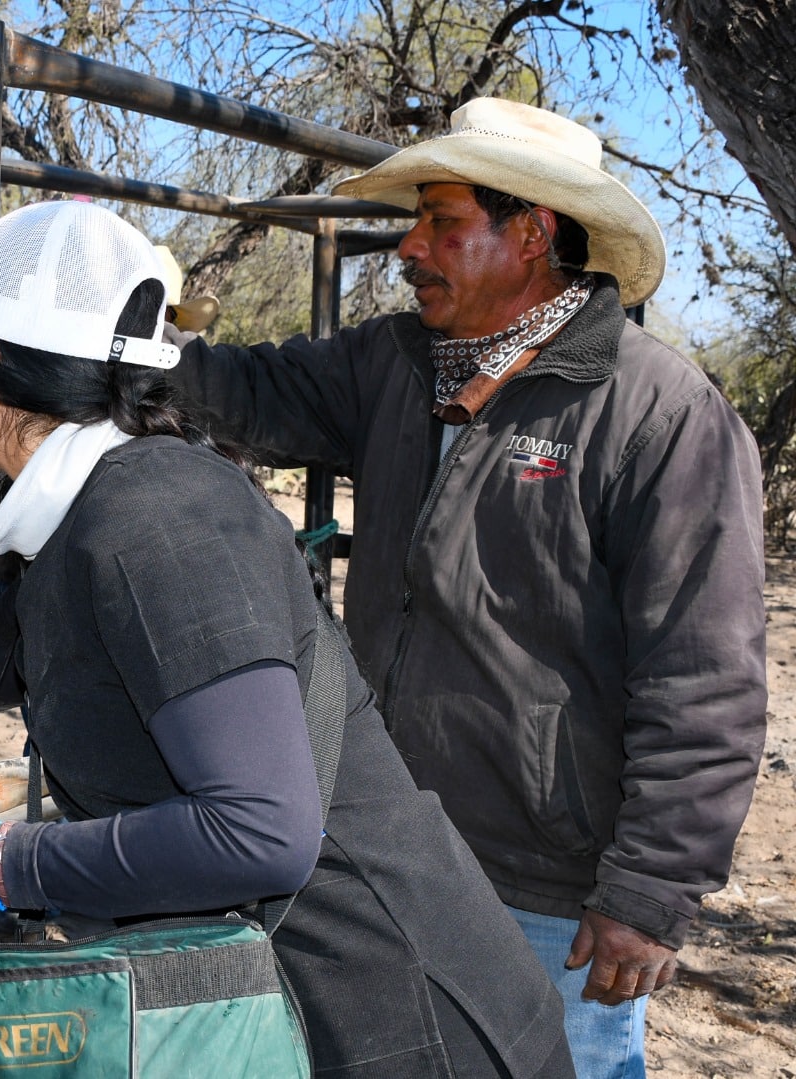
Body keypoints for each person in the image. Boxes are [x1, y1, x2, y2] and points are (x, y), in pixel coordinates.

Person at [0, 198, 575, 1077]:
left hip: (401, 1022)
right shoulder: (83, 520)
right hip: (290, 1011)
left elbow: (263, 830)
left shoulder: (157, 520)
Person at [161, 98, 768, 1079]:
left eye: (441, 222)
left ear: (529, 234)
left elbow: (705, 684)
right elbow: (250, 389)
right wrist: (115, 353)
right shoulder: (396, 366)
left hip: (548, 889)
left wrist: (648, 892)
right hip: (385, 844)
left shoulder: (659, 415)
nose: (409, 247)